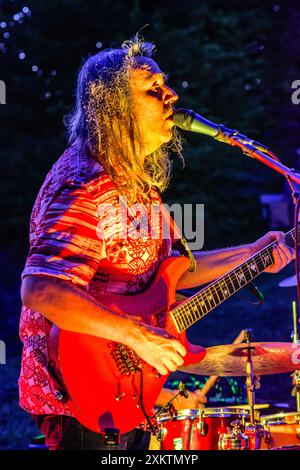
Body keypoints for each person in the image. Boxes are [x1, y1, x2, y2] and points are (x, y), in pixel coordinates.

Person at [19, 35, 294, 451]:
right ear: (115, 108)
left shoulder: (138, 186)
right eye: (154, 89)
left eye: (166, 86)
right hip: (79, 395)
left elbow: (171, 270)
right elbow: (41, 288)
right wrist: (137, 336)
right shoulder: (84, 183)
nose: (173, 95)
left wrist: (253, 253)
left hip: (129, 391)